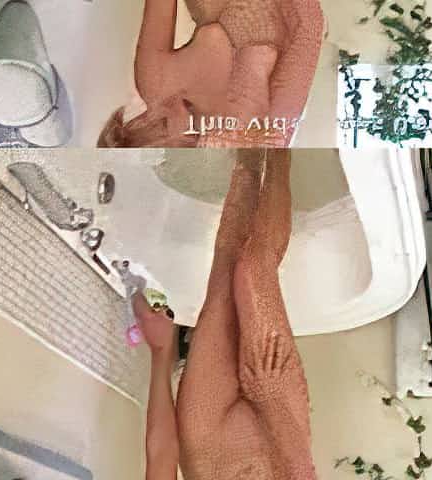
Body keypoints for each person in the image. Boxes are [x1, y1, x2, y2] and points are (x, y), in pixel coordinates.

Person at [131, 149, 316, 479]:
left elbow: (161, 455)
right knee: (254, 268)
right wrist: (272, 402)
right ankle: (279, 151)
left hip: (208, 447)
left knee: (226, 266)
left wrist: (162, 352)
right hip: (279, 450)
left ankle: (249, 153)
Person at [98, 0, 324, 148]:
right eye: (162, 124)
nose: (163, 106)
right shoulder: (251, 123)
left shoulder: (154, 84)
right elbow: (309, 27)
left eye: (148, 118)